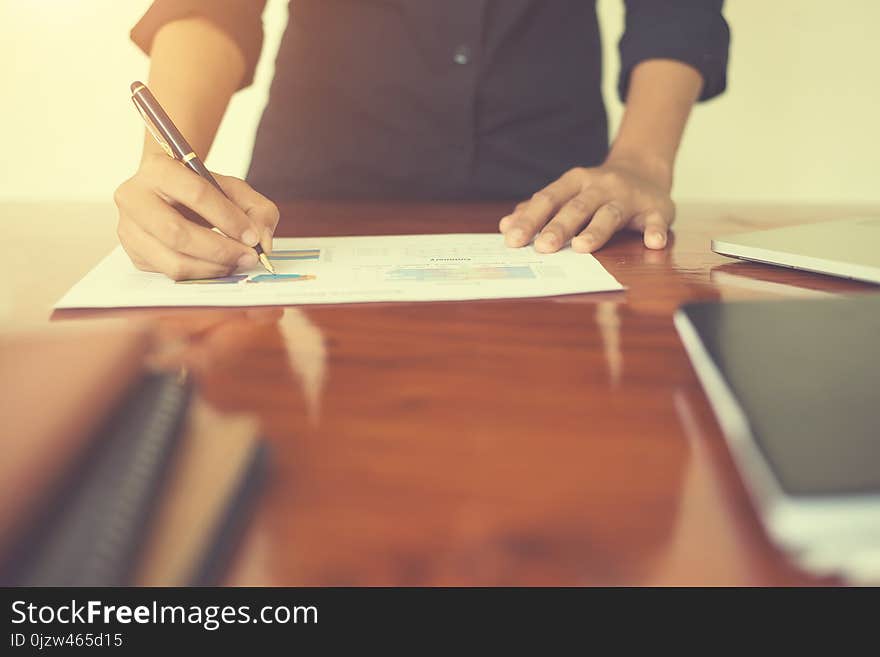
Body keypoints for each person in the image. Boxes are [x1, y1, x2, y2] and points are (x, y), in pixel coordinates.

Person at [115, 1, 729, 280]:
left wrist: (642, 163)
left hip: (555, 207)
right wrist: (167, 171)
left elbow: (674, 10)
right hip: (313, 201)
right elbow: (211, 6)